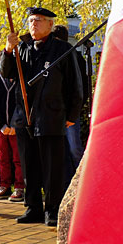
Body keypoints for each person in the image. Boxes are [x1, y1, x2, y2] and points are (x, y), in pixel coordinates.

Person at [1, 7, 83, 227]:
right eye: (30, 20)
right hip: (25, 117)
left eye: (38, 20)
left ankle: (52, 210)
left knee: (52, 169)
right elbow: (6, 73)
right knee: (29, 167)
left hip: (52, 117)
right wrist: (8, 50)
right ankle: (33, 207)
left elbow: (75, 85)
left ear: (50, 24)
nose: (33, 24)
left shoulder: (63, 50)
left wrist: (72, 114)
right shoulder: (23, 49)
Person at [52, 24, 89, 169]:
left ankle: (80, 180)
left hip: (70, 112)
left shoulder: (75, 56)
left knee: (74, 148)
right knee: (61, 150)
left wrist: (75, 111)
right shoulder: (51, 57)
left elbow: (82, 87)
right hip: (55, 111)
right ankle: (65, 183)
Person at [0, 63, 25, 202]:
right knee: (3, 158)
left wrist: (16, 125)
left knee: (18, 158)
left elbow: (22, 104)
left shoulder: (20, 79)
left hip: (17, 127)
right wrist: (1, 125)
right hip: (2, 128)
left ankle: (19, 187)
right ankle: (4, 186)